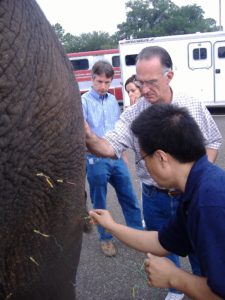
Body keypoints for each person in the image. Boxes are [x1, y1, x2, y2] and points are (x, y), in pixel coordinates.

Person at [84, 46, 222, 299]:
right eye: (140, 82)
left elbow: (213, 139)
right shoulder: (134, 113)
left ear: (169, 77)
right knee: (168, 246)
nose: (144, 89)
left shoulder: (209, 202)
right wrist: (90, 138)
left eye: (152, 82)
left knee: (205, 255)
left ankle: (198, 283)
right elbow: (160, 241)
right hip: (156, 196)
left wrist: (195, 181)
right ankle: (177, 290)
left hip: (190, 193)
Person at [81, 60, 143, 257]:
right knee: (99, 203)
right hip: (95, 159)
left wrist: (123, 154)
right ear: (92, 79)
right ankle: (105, 239)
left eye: (107, 82)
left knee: (130, 198)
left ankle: (138, 236)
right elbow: (83, 133)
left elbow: (119, 130)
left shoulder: (111, 101)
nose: (103, 87)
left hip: (116, 157)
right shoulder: (83, 102)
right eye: (99, 82)